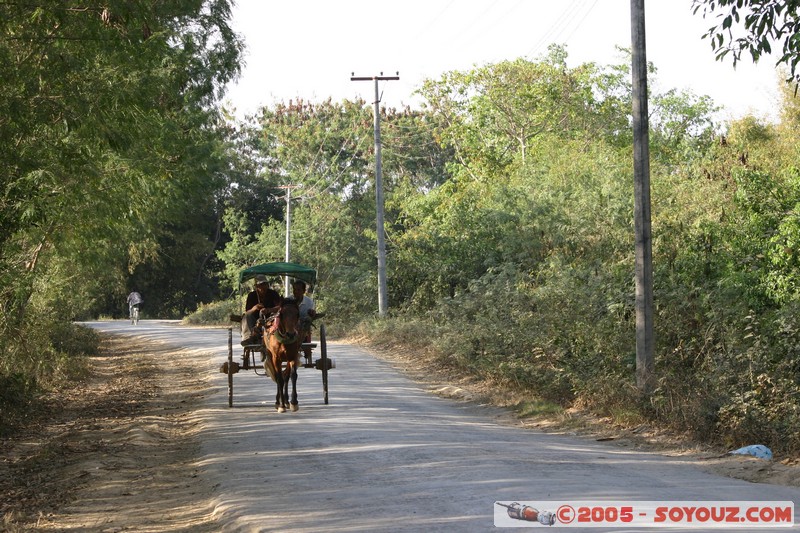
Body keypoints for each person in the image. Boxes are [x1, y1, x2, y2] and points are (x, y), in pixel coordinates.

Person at [241, 274, 282, 345]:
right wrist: (255, 308)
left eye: (264, 284)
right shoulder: (252, 295)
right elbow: (247, 311)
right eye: (260, 285)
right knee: (247, 316)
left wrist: (269, 310)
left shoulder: (273, 294)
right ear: (256, 286)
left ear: (267, 285)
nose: (263, 287)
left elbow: (279, 307)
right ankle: (249, 337)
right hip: (255, 320)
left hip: (271, 318)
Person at [288, 279, 317, 360]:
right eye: (294, 289)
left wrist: (312, 313)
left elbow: (311, 316)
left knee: (307, 320)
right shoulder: (288, 300)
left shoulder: (309, 302)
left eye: (298, 290)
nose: (296, 292)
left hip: (303, 325)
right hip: (290, 324)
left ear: (304, 291)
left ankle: (305, 345)